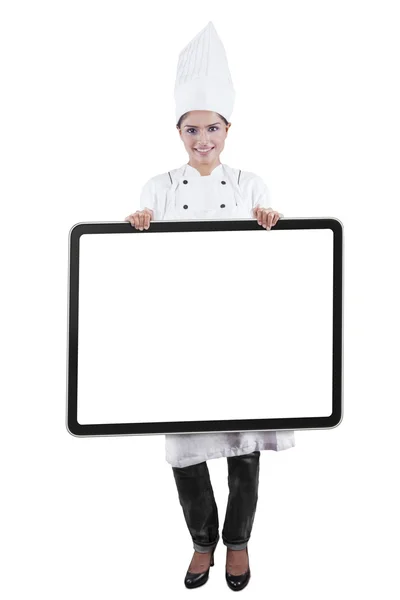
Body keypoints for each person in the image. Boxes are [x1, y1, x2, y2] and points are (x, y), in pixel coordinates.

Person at [125, 22, 295, 592]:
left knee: (244, 448)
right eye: (193, 128)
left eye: (213, 128)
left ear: (227, 129)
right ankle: (202, 543)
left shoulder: (250, 185)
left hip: (240, 334)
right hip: (182, 337)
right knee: (186, 447)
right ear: (179, 130)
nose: (203, 138)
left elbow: (275, 264)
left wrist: (270, 224)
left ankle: (238, 542)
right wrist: (137, 228)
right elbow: (137, 264)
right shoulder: (158, 187)